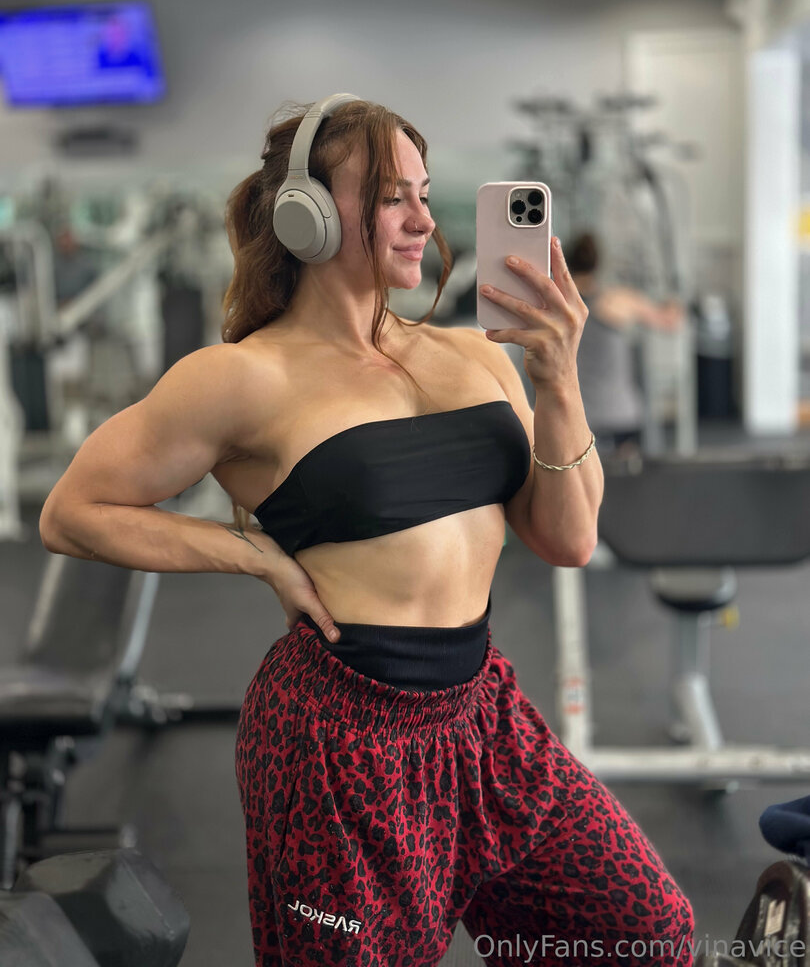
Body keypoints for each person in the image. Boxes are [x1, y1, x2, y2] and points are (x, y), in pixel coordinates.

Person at [39, 96, 694, 967]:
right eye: (392, 197)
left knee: (642, 933)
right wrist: (254, 556)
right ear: (305, 214)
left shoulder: (475, 357)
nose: (424, 219)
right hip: (335, 745)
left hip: (483, 718)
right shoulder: (241, 379)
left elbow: (568, 540)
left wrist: (559, 379)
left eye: (424, 193)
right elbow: (73, 511)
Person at [566, 231, 685, 456]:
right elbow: (671, 322)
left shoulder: (558, 304)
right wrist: (675, 295)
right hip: (618, 414)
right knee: (625, 476)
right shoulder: (617, 300)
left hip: (575, 416)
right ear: (598, 263)